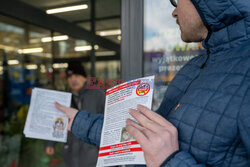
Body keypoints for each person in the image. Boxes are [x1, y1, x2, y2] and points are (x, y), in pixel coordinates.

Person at [55, 0, 250, 166]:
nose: (174, 12)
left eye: (176, 1)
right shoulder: (194, 68)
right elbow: (144, 136)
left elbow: (163, 153)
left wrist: (169, 161)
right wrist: (79, 121)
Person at [45, 61, 105, 167]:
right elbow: (57, 121)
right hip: (70, 155)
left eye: (77, 75)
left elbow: (106, 122)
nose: (73, 79)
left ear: (84, 77)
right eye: (70, 77)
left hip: (92, 155)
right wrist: (50, 143)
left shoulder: (98, 95)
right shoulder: (64, 98)